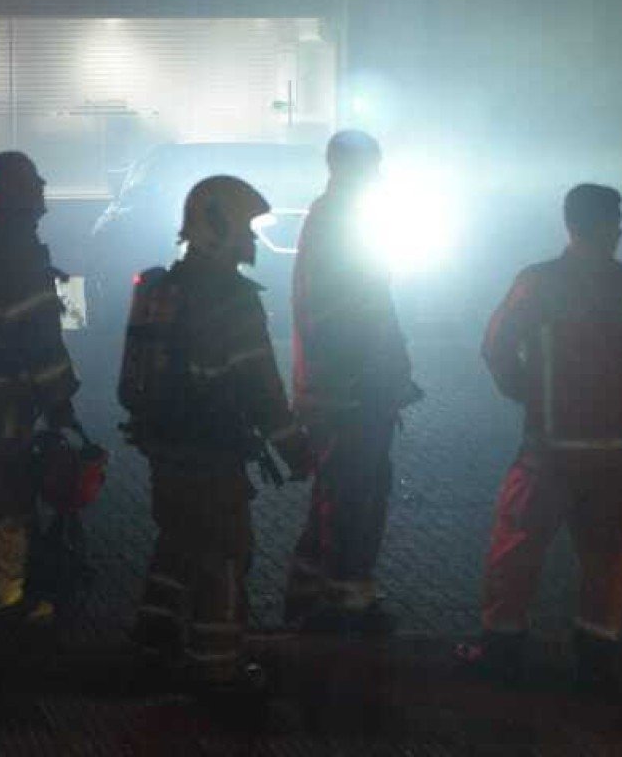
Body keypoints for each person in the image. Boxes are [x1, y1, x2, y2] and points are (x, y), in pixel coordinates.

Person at [457, 184, 622, 688]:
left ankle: (502, 645)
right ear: (609, 228)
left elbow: (495, 347)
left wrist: (525, 392)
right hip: (618, 451)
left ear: (569, 224)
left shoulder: (538, 283)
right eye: (617, 222)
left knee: (517, 544)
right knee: (608, 553)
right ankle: (597, 651)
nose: (620, 230)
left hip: (549, 448)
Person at [119, 175, 311, 689]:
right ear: (216, 229)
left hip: (165, 445)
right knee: (225, 554)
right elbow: (262, 387)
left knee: (177, 541)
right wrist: (296, 449)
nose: (252, 242)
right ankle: (217, 665)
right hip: (211, 451)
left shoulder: (162, 288)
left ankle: (154, 639)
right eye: (246, 230)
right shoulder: (232, 299)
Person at [283, 130, 418, 634]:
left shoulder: (339, 219)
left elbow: (370, 307)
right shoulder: (340, 221)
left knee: (347, 490)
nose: (379, 175)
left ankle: (318, 594)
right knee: (351, 494)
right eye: (372, 166)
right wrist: (376, 375)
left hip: (347, 387)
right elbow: (353, 314)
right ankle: (341, 601)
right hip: (349, 392)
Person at [0, 151, 81, 624]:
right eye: (35, 182)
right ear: (18, 190)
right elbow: (38, 332)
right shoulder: (14, 248)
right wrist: (61, 396)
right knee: (8, 489)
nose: (43, 190)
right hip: (4, 386)